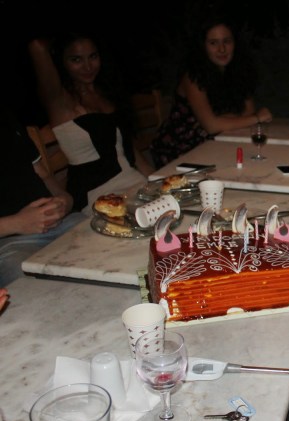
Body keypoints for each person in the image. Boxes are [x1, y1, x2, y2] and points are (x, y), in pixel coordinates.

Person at [28, 31, 152, 215]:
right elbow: (36, 47)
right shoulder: (60, 101)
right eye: (76, 60)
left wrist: (156, 179)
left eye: (93, 57)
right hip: (98, 196)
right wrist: (58, 39)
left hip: (134, 184)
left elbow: (129, 149)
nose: (87, 67)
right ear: (61, 61)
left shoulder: (106, 92)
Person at [150, 14, 273, 168]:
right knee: (246, 163)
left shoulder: (239, 70)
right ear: (203, 46)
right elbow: (212, 126)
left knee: (258, 160)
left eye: (226, 41)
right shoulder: (193, 76)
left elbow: (246, 112)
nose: (222, 49)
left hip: (215, 144)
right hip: (180, 150)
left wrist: (228, 120)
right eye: (213, 43)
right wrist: (257, 118)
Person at [0, 105, 85, 287]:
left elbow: (44, 175)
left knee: (118, 244)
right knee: (35, 286)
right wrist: (17, 223)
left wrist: (64, 199)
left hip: (62, 223)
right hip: (10, 243)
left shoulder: (6, 117)